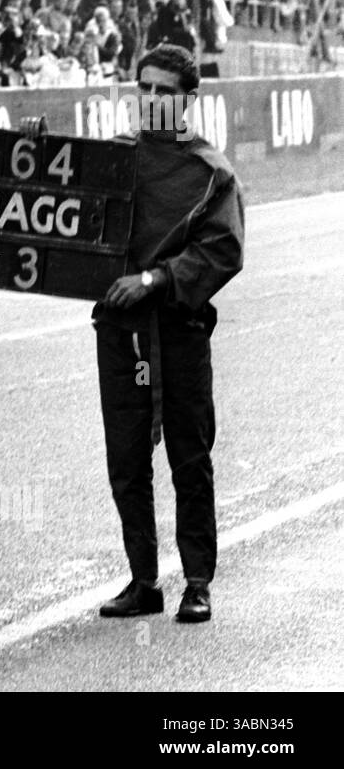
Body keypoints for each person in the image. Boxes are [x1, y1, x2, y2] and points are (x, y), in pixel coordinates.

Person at [93, 45, 245, 625]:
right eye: (144, 88)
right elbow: (59, 199)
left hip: (177, 330)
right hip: (120, 330)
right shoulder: (112, 158)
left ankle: (198, 582)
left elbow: (223, 251)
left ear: (187, 98)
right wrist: (35, 145)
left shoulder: (210, 171)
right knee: (127, 460)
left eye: (164, 90)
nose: (152, 99)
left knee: (190, 457)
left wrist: (157, 279)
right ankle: (143, 580)